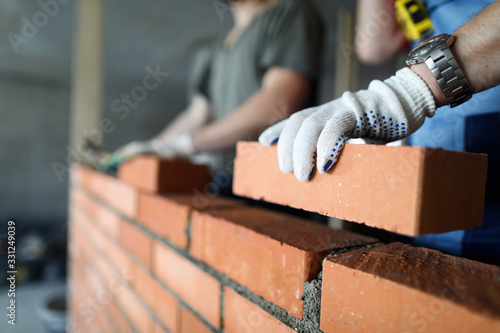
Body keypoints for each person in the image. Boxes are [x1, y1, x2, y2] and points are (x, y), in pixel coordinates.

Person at [259, 0, 500, 264]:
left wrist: (410, 92)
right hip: (431, 121)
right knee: (439, 262)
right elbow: (375, 46)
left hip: (484, 107)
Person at [113, 0, 323, 189]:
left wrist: (186, 144)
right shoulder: (216, 47)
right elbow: (198, 114)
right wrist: (155, 146)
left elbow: (277, 103)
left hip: (274, 183)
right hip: (221, 182)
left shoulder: (291, 12)